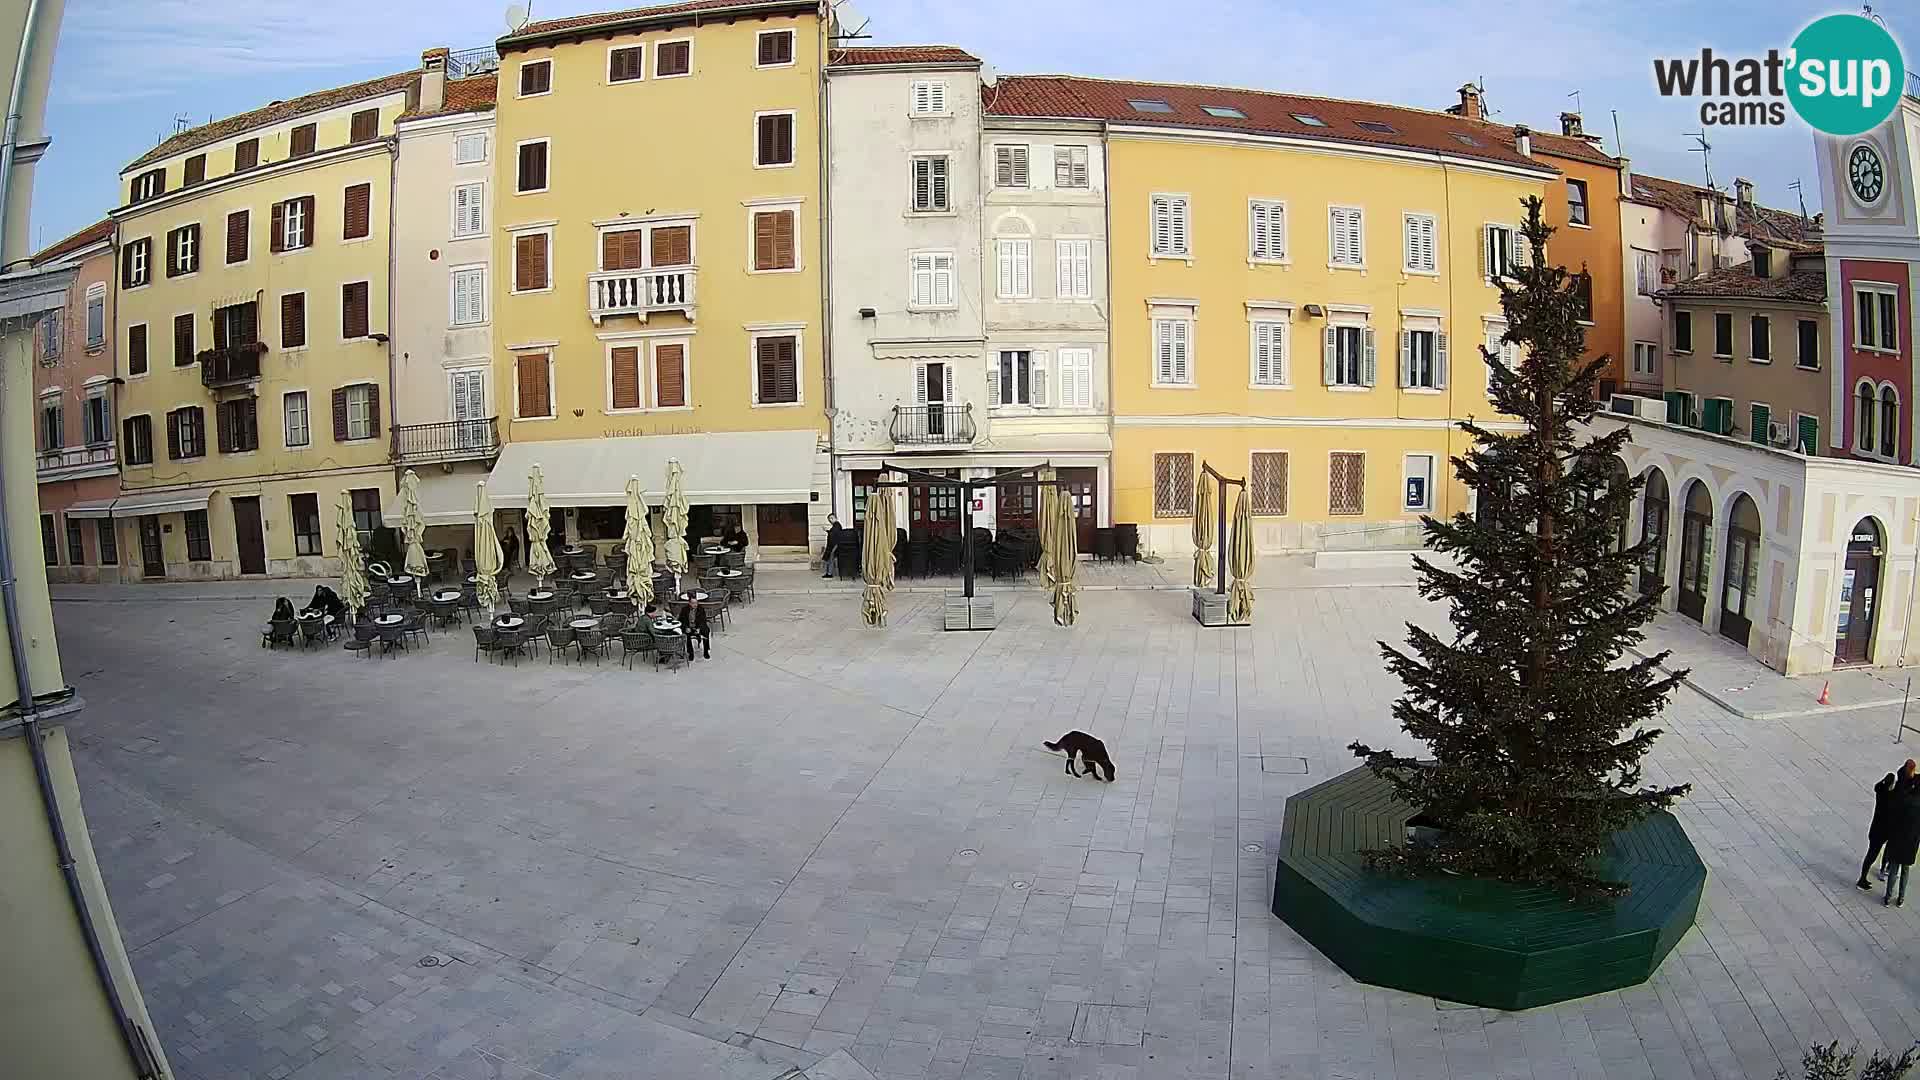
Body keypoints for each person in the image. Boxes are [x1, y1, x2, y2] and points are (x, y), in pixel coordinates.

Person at [1860, 760, 1917, 889]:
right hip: (1881, 833)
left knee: (1872, 854)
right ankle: (1862, 879)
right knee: (1872, 855)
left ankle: (1866, 876)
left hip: (1876, 831)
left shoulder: (1881, 792)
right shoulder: (1889, 798)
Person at [1886, 776, 1920, 907]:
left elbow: (1895, 819)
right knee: (1905, 871)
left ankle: (1888, 897)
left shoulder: (1905, 801)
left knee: (1894, 870)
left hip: (1898, 840)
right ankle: (1901, 898)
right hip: (1911, 843)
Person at [822, 515, 846, 579]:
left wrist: (828, 531)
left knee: (830, 559)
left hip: (834, 545)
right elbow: (833, 533)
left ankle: (829, 574)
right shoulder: (836, 525)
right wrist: (827, 531)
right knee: (830, 558)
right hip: (834, 545)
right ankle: (829, 573)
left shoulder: (837, 525)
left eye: (831, 518)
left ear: (835, 518)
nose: (830, 520)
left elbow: (834, 535)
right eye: (829, 519)